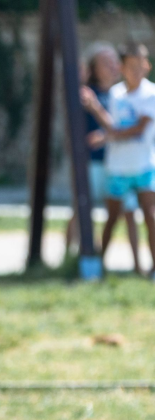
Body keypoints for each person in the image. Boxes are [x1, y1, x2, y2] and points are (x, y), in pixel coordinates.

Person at [82, 42, 155, 277]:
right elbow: (113, 125)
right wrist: (95, 110)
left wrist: (108, 134)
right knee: (112, 218)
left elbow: (139, 129)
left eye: (139, 66)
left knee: (150, 215)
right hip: (118, 168)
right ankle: (98, 265)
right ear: (122, 69)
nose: (136, 71)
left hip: (143, 165)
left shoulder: (150, 94)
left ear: (147, 66)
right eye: (130, 66)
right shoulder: (115, 94)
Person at [70, 45, 140, 262]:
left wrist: (107, 136)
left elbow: (125, 129)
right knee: (82, 209)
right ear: (93, 68)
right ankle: (72, 255)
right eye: (105, 62)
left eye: (113, 61)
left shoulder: (122, 94)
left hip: (118, 163)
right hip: (94, 162)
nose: (112, 66)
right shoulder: (87, 94)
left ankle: (137, 263)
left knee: (128, 212)